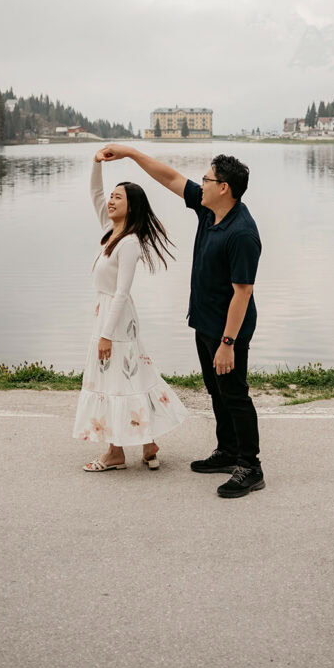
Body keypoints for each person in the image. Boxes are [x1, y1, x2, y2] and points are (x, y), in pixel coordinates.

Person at [100, 144, 264, 499]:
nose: (199, 184)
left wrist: (227, 343)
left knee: (235, 394)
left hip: (227, 332)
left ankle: (250, 466)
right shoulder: (210, 211)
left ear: (224, 188)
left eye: (206, 179)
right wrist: (129, 153)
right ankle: (228, 451)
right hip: (204, 323)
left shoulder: (242, 233)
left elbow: (243, 293)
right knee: (216, 391)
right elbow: (170, 177)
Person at [72, 150, 188, 471]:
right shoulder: (110, 231)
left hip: (117, 320)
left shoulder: (130, 243)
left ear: (131, 206)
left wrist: (106, 335)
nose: (110, 201)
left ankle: (115, 453)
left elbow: (122, 292)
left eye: (118, 198)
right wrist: (96, 162)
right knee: (130, 377)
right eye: (111, 197)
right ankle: (147, 443)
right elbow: (94, 193)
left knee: (117, 382)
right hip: (106, 313)